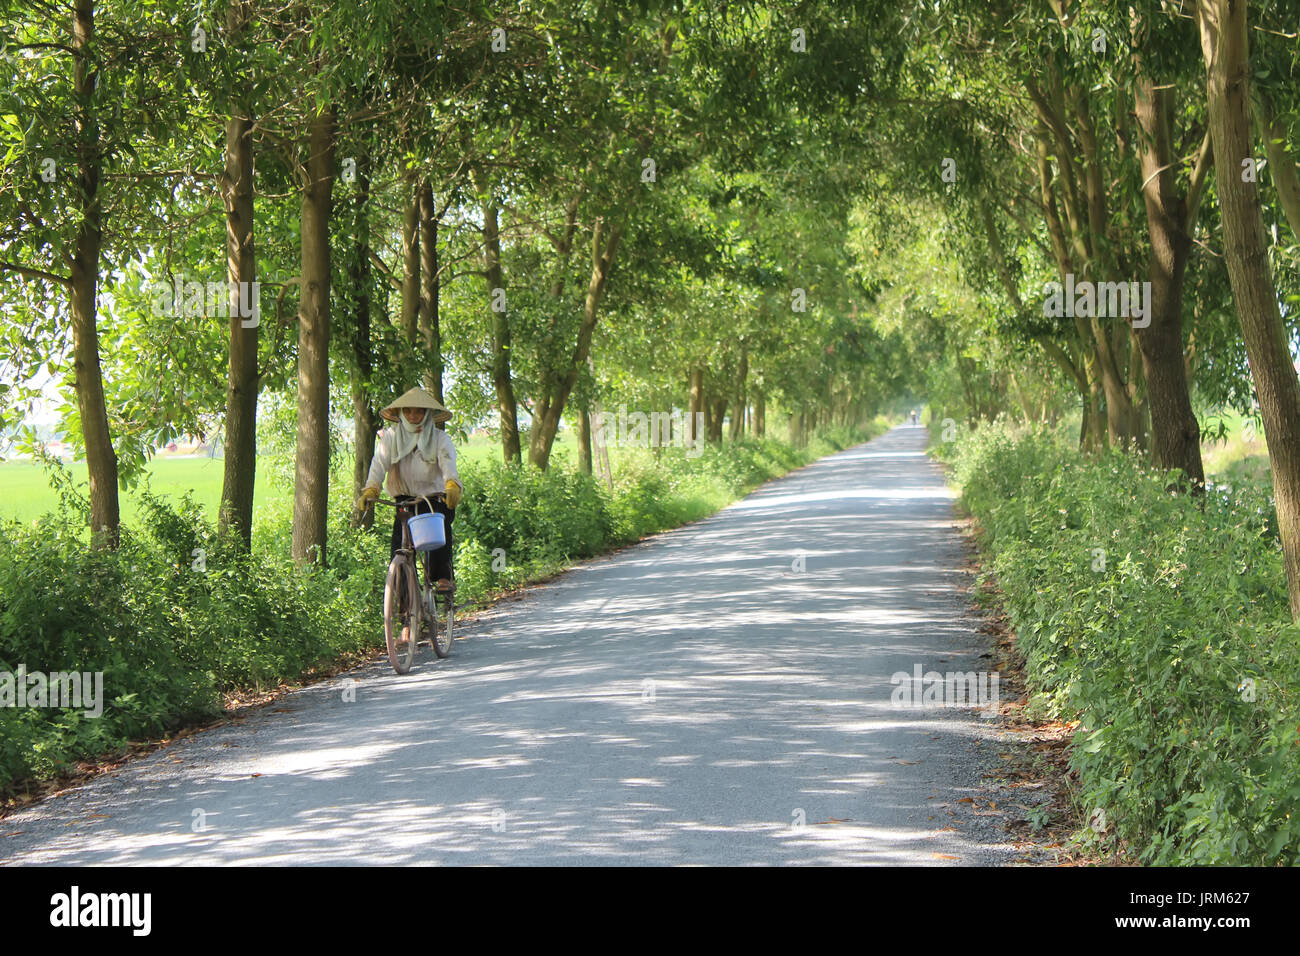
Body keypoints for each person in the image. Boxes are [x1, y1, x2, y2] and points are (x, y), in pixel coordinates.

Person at [355, 387, 462, 592]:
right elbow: (379, 464)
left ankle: (442, 578)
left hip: (435, 497)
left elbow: (449, 464)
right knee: (399, 547)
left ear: (427, 414)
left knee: (438, 535)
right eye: (409, 411)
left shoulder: (440, 438)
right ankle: (405, 610)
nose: (414, 416)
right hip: (404, 498)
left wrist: (452, 485)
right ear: (401, 414)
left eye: (419, 411)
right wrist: (371, 489)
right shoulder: (391, 437)